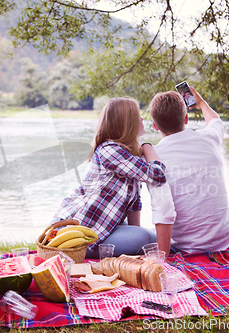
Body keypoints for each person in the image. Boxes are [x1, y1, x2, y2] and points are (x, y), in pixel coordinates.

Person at [52, 97, 167, 258]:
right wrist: (147, 146)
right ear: (127, 123)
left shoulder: (127, 155)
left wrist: (137, 233)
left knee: (156, 240)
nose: (142, 120)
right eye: (137, 116)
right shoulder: (110, 151)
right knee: (145, 238)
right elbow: (159, 175)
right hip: (81, 234)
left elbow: (135, 204)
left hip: (105, 227)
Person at [147, 87, 229, 256]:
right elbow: (216, 121)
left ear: (155, 126)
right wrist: (201, 103)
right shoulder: (208, 139)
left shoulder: (155, 158)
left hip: (187, 245)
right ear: (186, 119)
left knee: (145, 234)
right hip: (224, 239)